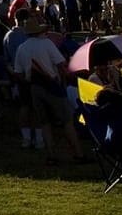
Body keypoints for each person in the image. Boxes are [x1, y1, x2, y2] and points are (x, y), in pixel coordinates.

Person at [14, 24, 86, 165]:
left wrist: (29, 80)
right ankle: (78, 154)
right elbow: (60, 63)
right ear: (40, 32)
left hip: (34, 87)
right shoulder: (46, 43)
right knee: (67, 120)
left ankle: (51, 155)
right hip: (51, 85)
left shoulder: (21, 48)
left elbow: (18, 73)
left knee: (45, 123)